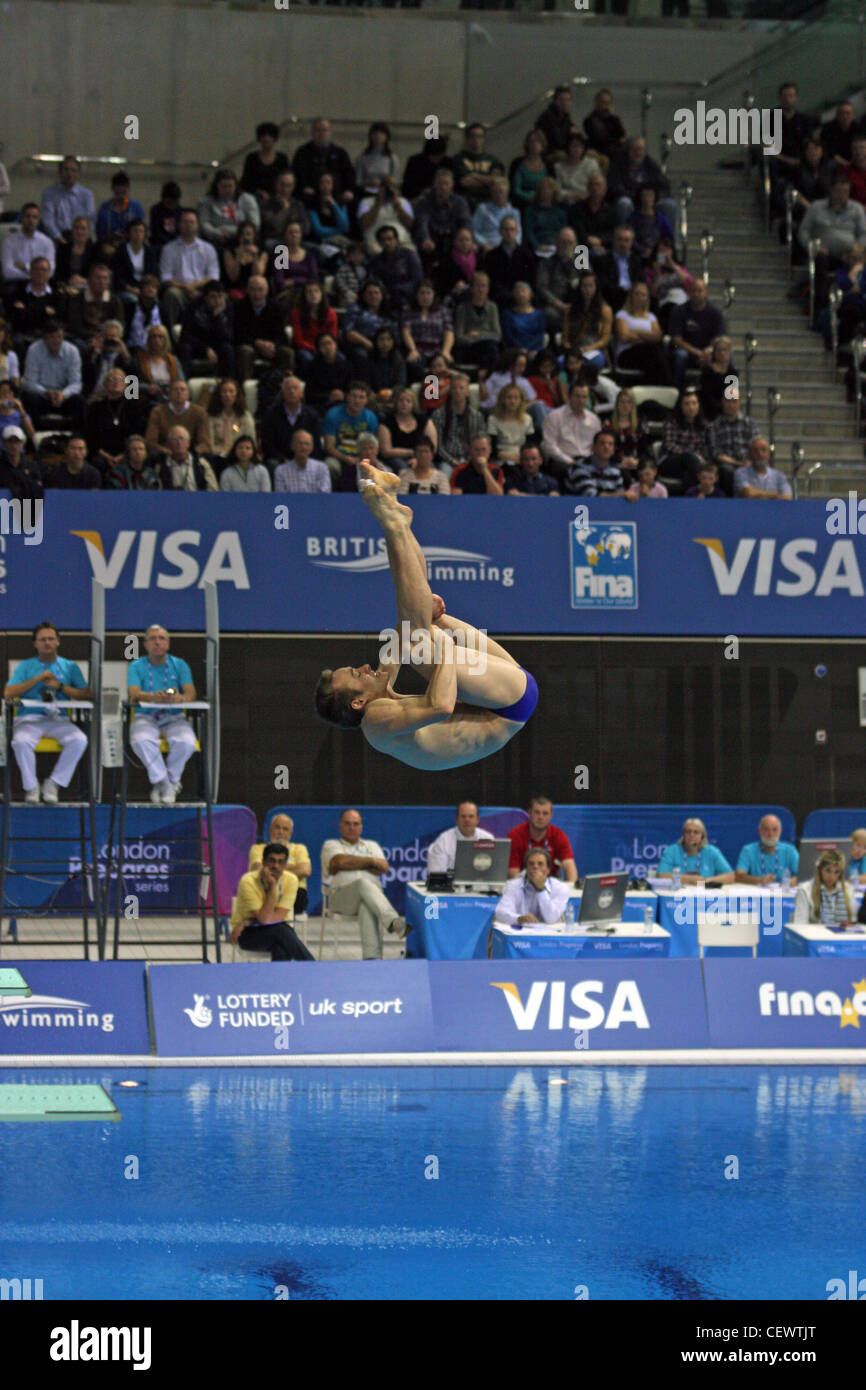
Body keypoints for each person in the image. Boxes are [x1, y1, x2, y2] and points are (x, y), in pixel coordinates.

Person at [315, 465, 538, 771]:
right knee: (421, 647)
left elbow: (404, 629)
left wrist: (428, 614)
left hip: (504, 690)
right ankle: (394, 522)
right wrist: (440, 641)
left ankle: (396, 518)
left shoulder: (382, 698)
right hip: (507, 706)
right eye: (357, 673)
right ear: (357, 703)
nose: (365, 667)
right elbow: (441, 706)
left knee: (415, 632)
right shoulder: (376, 722)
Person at [4, 621, 91, 805]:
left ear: (58, 641)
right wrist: (36, 680)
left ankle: (53, 783)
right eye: (42, 640)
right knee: (20, 741)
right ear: (35, 644)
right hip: (29, 718)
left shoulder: (70, 667)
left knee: (79, 740)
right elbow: (8, 693)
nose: (47, 643)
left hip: (58, 719)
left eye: (51, 639)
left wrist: (60, 686)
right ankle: (31, 787)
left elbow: (87, 694)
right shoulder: (25, 666)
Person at [320, 809, 406, 959]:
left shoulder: (372, 845)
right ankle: (395, 923)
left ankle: (371, 959)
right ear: (340, 826)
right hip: (341, 898)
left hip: (368, 898)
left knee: (366, 905)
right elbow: (339, 861)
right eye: (347, 824)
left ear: (361, 827)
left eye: (355, 824)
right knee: (362, 883)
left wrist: (351, 862)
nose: (351, 827)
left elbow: (384, 867)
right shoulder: (331, 844)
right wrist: (371, 861)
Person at [127, 625, 198, 806]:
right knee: (140, 741)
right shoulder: (136, 665)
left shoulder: (180, 664)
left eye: (161, 638)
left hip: (174, 717)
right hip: (146, 717)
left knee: (187, 742)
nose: (157, 642)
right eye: (152, 638)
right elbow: (133, 693)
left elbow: (191, 693)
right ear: (145, 644)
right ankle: (165, 782)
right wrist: (153, 697)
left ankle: (171, 781)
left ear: (168, 643)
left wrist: (179, 698)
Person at [231, 843, 315, 962]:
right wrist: (272, 886)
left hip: (274, 930)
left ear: (286, 865)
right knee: (283, 932)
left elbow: (278, 917)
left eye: (281, 862)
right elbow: (264, 920)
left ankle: (278, 980)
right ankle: (313, 967)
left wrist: (248, 921)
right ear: (263, 862)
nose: (276, 866)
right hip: (246, 934)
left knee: (281, 945)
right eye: (272, 861)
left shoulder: (291, 880)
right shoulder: (248, 881)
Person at [158, 209, 220, 332]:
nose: (188, 226)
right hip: (179, 290)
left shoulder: (208, 248)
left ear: (197, 225)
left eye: (192, 222)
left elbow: (214, 276)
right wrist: (184, 287)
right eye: (185, 222)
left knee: (219, 297)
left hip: (202, 291)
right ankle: (171, 335)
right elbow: (165, 277)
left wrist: (194, 287)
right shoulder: (168, 249)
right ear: (179, 224)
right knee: (171, 294)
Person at [608, 136, 678, 232]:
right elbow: (615, 188)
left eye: (641, 149)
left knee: (670, 204)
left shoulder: (651, 165)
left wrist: (654, 198)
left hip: (650, 202)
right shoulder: (617, 165)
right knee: (623, 203)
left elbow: (665, 186)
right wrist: (638, 197)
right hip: (630, 200)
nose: (638, 153)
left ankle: (667, 242)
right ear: (628, 150)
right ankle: (625, 238)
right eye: (634, 149)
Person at [22, 323, 84, 429]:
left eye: (59, 336)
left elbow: (76, 383)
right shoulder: (34, 350)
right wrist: (46, 392)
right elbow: (29, 382)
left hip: (63, 396)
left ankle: (76, 437)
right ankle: (35, 437)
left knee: (79, 401)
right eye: (52, 337)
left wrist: (63, 394)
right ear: (45, 338)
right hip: (42, 395)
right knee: (29, 398)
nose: (56, 340)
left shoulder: (72, 351)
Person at [249, 813, 312, 916]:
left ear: (290, 833)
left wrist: (271, 869)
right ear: (270, 830)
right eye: (277, 827)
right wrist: (292, 868)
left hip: (295, 894)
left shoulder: (299, 849)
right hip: (264, 891)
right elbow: (257, 869)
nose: (281, 832)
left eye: (285, 829)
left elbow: (305, 870)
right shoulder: (258, 849)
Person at [233, 274, 293, 384]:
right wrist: (257, 343)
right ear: (247, 290)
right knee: (245, 351)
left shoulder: (275, 307)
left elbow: (281, 335)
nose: (257, 294)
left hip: (271, 348)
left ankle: (285, 387)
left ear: (266, 291)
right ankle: (244, 387)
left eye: (260, 290)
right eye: (253, 290)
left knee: (287, 353)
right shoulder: (240, 307)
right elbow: (237, 335)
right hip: (251, 346)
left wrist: (271, 345)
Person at [322, 380, 380, 490]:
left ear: (366, 400)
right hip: (339, 456)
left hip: (363, 456)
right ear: (347, 397)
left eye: (361, 397)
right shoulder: (333, 415)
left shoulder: (371, 418)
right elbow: (329, 447)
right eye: (354, 396)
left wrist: (362, 458)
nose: (357, 401)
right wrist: (346, 458)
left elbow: (372, 445)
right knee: (330, 465)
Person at [668, 278, 726, 390]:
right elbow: (676, 340)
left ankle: (729, 395)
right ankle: (677, 391)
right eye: (693, 290)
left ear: (706, 293)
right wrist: (699, 353)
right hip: (687, 352)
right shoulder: (679, 311)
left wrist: (709, 351)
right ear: (689, 293)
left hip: (709, 352)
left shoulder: (715, 313)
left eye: (700, 291)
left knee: (727, 357)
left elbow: (719, 338)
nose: (696, 294)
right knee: (680, 356)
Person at [85, 367, 141, 480]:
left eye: (119, 380)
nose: (115, 382)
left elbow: (137, 434)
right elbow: (90, 435)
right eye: (112, 379)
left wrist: (122, 456)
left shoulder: (133, 408)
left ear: (126, 386)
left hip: (127, 453)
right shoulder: (95, 407)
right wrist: (107, 456)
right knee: (97, 463)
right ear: (105, 385)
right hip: (101, 454)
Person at [412, 168, 471, 276]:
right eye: (440, 183)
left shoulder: (460, 202)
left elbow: (465, 222)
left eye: (446, 184)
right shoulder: (424, 202)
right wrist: (426, 239)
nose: (443, 187)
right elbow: (422, 222)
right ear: (434, 184)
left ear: (452, 185)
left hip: (453, 240)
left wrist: (465, 239)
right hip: (432, 240)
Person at [541, 381, 603, 482]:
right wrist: (570, 461)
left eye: (584, 397)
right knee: (561, 469)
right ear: (569, 396)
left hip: (588, 461)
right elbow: (549, 446)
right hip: (564, 461)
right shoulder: (555, 416)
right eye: (577, 396)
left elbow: (597, 445)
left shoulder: (594, 419)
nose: (581, 400)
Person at [496, 848, 572, 928]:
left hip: (550, 936)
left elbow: (551, 919)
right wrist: (519, 918)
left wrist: (541, 889)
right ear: (526, 869)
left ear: (548, 870)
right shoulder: (513, 885)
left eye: (540, 864)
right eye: (531, 864)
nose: (535, 867)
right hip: (522, 935)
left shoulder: (560, 888)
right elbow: (500, 912)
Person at [507, 797, 577, 881]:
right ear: (529, 813)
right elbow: (513, 874)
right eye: (537, 812)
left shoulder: (558, 835)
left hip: (551, 883)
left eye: (545, 813)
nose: (540, 817)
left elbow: (569, 865)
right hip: (523, 883)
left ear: (551, 816)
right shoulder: (515, 835)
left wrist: (572, 887)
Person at [430, 373, 484, 478]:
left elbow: (480, 441)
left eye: (461, 388)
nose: (458, 391)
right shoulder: (439, 414)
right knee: (444, 475)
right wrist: (451, 460)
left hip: (471, 460)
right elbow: (437, 444)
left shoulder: (477, 416)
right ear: (450, 391)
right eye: (454, 388)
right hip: (446, 460)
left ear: (467, 392)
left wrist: (469, 459)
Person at [261, 372, 322, 466]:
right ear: (283, 393)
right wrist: (283, 460)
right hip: (280, 460)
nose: (292, 391)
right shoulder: (271, 414)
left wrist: (303, 460)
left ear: (302, 394)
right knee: (272, 463)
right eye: (288, 388)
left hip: (305, 459)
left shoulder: (312, 416)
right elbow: (267, 444)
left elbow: (316, 445)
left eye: (295, 388)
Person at [292, 118, 356, 207]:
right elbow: (297, 172)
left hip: (336, 194)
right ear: (312, 132)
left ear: (330, 132)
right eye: (318, 130)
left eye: (325, 130)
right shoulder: (303, 152)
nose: (321, 133)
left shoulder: (340, 152)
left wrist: (349, 190)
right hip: (311, 193)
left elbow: (349, 173)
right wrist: (304, 187)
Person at [178, 280, 235, 378]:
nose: (217, 301)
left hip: (216, 345)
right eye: (213, 297)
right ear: (205, 298)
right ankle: (183, 382)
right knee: (185, 348)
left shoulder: (227, 307)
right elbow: (185, 335)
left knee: (228, 349)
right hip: (196, 345)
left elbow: (228, 337)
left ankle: (229, 384)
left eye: (220, 296)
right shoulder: (193, 306)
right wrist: (205, 349)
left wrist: (218, 318)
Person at [706, 388, 758, 497]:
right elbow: (716, 454)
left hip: (748, 463)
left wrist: (749, 461)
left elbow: (757, 446)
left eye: (734, 401)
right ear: (723, 402)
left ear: (739, 402)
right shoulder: (714, 426)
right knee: (726, 471)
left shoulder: (750, 424)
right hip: (727, 464)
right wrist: (738, 464)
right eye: (728, 401)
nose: (731, 405)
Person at [659, 389, 711, 493]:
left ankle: (693, 499)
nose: (691, 407)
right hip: (670, 462)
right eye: (687, 404)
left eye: (694, 403)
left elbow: (706, 448)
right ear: (681, 406)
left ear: (698, 405)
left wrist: (699, 457)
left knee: (688, 475)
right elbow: (669, 445)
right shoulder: (671, 422)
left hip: (693, 466)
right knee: (689, 457)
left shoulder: (704, 425)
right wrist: (693, 455)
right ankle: (707, 492)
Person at [656, 818, 735, 884]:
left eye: (696, 832)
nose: (691, 835)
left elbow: (730, 876)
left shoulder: (711, 851)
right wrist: (691, 879)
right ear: (683, 834)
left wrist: (706, 881)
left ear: (702, 836)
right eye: (688, 832)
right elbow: (661, 876)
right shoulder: (672, 851)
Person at [145, 379, 211, 458]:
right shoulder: (157, 411)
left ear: (188, 394)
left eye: (182, 389)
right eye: (175, 390)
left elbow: (204, 443)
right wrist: (167, 452)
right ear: (169, 393)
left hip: (191, 454)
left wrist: (188, 455)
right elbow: (150, 442)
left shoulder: (200, 412)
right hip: (165, 454)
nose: (179, 392)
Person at [535, 227, 582, 336]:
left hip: (577, 305)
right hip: (556, 306)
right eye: (563, 242)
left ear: (575, 244)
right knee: (548, 314)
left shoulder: (582, 262)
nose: (566, 245)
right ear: (556, 243)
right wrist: (559, 304)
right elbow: (542, 288)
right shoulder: (546, 263)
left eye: (570, 242)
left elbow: (590, 283)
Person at [792, 849, 857, 927]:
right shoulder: (805, 890)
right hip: (815, 937)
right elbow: (799, 925)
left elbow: (853, 922)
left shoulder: (848, 889)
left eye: (836, 872)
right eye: (828, 870)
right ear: (820, 869)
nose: (831, 877)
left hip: (843, 937)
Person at [562, 270, 613, 371]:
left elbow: (605, 339)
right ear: (580, 288)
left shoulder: (605, 310)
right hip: (575, 351)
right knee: (560, 362)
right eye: (584, 286)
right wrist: (571, 349)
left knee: (594, 362)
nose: (587, 289)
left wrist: (587, 349)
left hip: (594, 350)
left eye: (590, 286)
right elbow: (565, 336)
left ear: (596, 288)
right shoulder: (570, 310)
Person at [483, 215, 537, 310]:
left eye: (512, 229)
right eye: (505, 229)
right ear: (500, 231)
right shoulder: (491, 256)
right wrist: (509, 294)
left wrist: (522, 293)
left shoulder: (527, 254)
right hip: (500, 299)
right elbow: (492, 281)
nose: (509, 233)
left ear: (517, 232)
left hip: (524, 297)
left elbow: (531, 278)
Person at [401, 280, 454, 374]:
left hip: (437, 350)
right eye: (422, 293)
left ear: (433, 294)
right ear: (416, 295)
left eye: (428, 293)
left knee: (444, 365)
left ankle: (437, 388)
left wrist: (445, 351)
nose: (425, 297)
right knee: (414, 365)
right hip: (418, 349)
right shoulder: (408, 310)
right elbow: (406, 331)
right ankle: (424, 388)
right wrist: (412, 350)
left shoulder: (442, 311)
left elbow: (449, 332)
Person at [197, 169, 260, 248]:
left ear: (236, 186)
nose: (227, 190)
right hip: (216, 238)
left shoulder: (247, 199)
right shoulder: (206, 201)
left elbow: (255, 224)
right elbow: (204, 224)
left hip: (243, 237)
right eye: (223, 187)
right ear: (216, 186)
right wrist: (218, 234)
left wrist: (241, 234)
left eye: (230, 186)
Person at [368, 225, 422, 314]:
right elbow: (373, 281)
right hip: (385, 298)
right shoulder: (375, 261)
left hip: (407, 296)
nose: (387, 243)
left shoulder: (409, 256)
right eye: (383, 240)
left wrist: (399, 289)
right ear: (379, 242)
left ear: (396, 240)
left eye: (390, 239)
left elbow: (417, 279)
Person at [40, 156, 95, 242]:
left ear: (78, 173)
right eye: (66, 170)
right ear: (59, 172)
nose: (69, 174)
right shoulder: (49, 193)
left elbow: (90, 220)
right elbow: (48, 220)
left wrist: (84, 237)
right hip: (59, 237)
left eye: (73, 170)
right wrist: (58, 238)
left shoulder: (86, 194)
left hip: (81, 237)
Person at [1, 203, 55, 291]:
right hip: (16, 283)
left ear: (38, 220)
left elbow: (51, 271)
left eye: (34, 217)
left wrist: (25, 267)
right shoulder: (8, 242)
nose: (31, 220)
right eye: (27, 216)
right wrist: (38, 272)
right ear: (21, 218)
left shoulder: (47, 242)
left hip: (41, 284)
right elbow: (7, 272)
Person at [560, 428, 627, 497]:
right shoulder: (580, 467)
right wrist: (621, 495)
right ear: (593, 447)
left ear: (613, 450)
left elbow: (620, 496)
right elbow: (592, 497)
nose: (606, 447)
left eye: (610, 444)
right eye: (602, 443)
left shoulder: (615, 471)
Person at [426, 801, 490, 874]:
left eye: (471, 816)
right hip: (451, 885)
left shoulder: (488, 839)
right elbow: (436, 875)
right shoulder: (443, 841)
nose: (467, 820)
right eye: (463, 816)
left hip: (481, 884)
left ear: (477, 820)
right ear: (457, 819)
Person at [736, 815, 799, 886]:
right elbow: (739, 876)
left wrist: (786, 883)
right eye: (766, 830)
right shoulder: (748, 850)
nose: (770, 834)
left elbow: (803, 877)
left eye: (775, 830)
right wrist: (760, 880)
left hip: (783, 893)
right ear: (759, 831)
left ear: (780, 832)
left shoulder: (790, 850)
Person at [358, 178, 414, 257]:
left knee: (410, 252)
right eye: (386, 186)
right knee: (377, 252)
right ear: (380, 187)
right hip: (376, 242)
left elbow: (410, 225)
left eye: (393, 186)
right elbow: (364, 224)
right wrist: (378, 203)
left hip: (401, 241)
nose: (389, 189)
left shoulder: (403, 202)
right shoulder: (366, 202)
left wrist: (396, 204)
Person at [206, 378, 256, 465]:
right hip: (218, 456)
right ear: (219, 394)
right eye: (224, 391)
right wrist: (222, 452)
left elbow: (251, 441)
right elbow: (209, 443)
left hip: (239, 455)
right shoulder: (211, 416)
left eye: (231, 391)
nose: (227, 395)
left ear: (237, 394)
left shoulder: (244, 416)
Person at [259, 170, 311, 251]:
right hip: (277, 241)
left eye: (289, 186)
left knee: (317, 250)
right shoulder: (267, 204)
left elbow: (307, 229)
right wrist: (285, 209)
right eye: (282, 185)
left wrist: (295, 231)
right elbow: (276, 228)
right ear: (276, 184)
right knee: (276, 247)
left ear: (293, 187)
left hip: (296, 241)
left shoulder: (298, 204)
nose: (285, 189)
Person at [157, 424, 218, 492]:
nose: (179, 442)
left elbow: (213, 490)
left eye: (181, 438)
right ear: (169, 444)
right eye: (175, 439)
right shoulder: (161, 466)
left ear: (188, 443)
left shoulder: (201, 464)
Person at [113, 219, 161, 303]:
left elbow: (154, 273)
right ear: (129, 233)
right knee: (134, 300)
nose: (138, 234)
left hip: (145, 288)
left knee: (155, 301)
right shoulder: (121, 252)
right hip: (127, 289)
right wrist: (132, 290)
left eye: (141, 231)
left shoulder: (149, 252)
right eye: (135, 231)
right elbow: (117, 278)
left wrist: (147, 289)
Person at [240, 122, 291, 200]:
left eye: (270, 136)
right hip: (256, 197)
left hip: (278, 196)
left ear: (274, 139)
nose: (266, 139)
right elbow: (246, 181)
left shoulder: (282, 158)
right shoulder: (252, 158)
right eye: (263, 136)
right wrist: (258, 192)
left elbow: (287, 178)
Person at [304, 332, 352, 416]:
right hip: (322, 404)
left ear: (335, 345)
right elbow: (308, 394)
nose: (327, 347)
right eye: (323, 344)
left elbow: (350, 386)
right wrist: (328, 396)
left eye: (329, 343)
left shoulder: (345, 365)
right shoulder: (312, 367)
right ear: (318, 348)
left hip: (343, 401)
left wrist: (343, 395)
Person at [570, 173, 618, 257]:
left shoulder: (612, 210)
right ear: (588, 188)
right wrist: (588, 240)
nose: (595, 188)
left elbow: (614, 232)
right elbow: (576, 229)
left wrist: (600, 240)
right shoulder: (577, 208)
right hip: (582, 247)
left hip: (605, 247)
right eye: (592, 185)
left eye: (598, 185)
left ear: (605, 189)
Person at [488, 383, 535, 464]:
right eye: (509, 398)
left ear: (521, 401)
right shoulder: (493, 419)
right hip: (501, 459)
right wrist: (511, 458)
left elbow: (531, 444)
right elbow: (492, 448)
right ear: (502, 400)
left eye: (516, 398)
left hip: (522, 458)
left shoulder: (527, 419)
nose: (512, 401)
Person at [472, 176, 522, 253]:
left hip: (509, 248)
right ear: (491, 193)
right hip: (488, 247)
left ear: (507, 193)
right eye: (495, 192)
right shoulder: (482, 209)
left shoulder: (514, 212)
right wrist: (483, 244)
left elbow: (518, 234)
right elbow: (474, 230)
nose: (498, 195)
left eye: (501, 192)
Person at [95, 171, 145, 248]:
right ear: (113, 189)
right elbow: (100, 234)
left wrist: (126, 236)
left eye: (123, 191)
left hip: (131, 246)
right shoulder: (105, 209)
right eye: (118, 192)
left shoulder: (135, 208)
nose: (121, 195)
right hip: (110, 247)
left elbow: (142, 231)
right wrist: (111, 237)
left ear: (128, 188)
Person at [136, 323, 182, 406]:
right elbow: (131, 384)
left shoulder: (173, 359)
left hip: (170, 397)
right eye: (154, 336)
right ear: (149, 339)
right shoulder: (140, 358)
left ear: (166, 340)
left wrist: (173, 389)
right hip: (148, 399)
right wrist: (147, 387)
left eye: (160, 337)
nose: (157, 340)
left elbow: (182, 381)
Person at [273, 428, 331, 493]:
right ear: (292, 446)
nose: (303, 447)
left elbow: (324, 495)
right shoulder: (281, 471)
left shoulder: (322, 468)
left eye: (307, 444)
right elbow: (280, 498)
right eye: (300, 443)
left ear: (312, 448)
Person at [221, 220, 268, 299]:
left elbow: (258, 275)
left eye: (248, 234)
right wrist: (238, 257)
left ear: (254, 236)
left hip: (255, 289)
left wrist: (255, 257)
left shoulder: (261, 253)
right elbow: (233, 277)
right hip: (236, 288)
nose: (245, 237)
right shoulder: (229, 252)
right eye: (242, 234)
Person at [554, 131, 602, 206]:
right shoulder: (559, 167)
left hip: (588, 198)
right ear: (568, 147)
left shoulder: (591, 164)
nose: (577, 149)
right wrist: (573, 196)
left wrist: (587, 195)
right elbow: (557, 189)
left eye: (580, 146)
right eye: (574, 146)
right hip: (568, 199)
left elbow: (598, 184)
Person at [402, 135, 453, 204]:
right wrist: (421, 191)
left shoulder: (448, 162)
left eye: (439, 157)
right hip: (418, 199)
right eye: (433, 157)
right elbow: (407, 187)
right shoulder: (415, 162)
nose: (436, 160)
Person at [509, 130, 550, 213]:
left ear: (543, 145)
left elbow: (552, 186)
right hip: (522, 201)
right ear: (527, 144)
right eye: (531, 141)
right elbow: (516, 189)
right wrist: (531, 197)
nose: (534, 144)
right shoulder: (517, 163)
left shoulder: (549, 165)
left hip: (544, 200)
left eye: (538, 141)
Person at [523, 177, 567, 256]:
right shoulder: (530, 211)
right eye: (543, 189)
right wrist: (537, 245)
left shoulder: (560, 212)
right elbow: (529, 232)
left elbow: (564, 231)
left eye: (549, 189)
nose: (546, 192)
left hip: (557, 246)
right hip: (538, 245)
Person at [501, 281, 546, 354]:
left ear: (530, 294)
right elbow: (508, 336)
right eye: (518, 292)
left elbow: (539, 335)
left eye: (523, 291)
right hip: (514, 350)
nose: (521, 294)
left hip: (534, 350)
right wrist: (521, 349)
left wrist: (528, 349)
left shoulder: (539, 314)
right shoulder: (508, 314)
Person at [582, 88, 627, 160]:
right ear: (597, 102)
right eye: (603, 102)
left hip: (615, 149)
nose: (605, 105)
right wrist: (616, 140)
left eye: (607, 103)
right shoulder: (590, 120)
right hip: (600, 150)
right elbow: (599, 138)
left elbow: (622, 134)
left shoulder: (614, 119)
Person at [0, 425, 42, 500]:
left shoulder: (32, 466)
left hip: (26, 509)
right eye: (10, 441)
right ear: (3, 443)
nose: (14, 446)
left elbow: (37, 491)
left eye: (17, 441)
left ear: (22, 443)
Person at [149, 181, 183, 248]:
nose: (172, 205)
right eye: (169, 202)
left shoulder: (180, 211)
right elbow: (156, 232)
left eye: (175, 202)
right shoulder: (156, 210)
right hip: (160, 245)